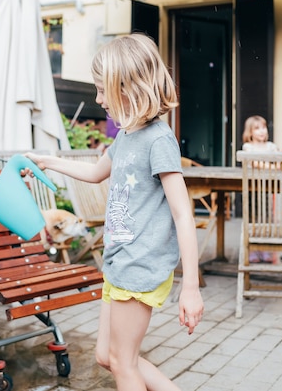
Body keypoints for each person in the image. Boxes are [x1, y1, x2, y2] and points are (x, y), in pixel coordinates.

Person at [25, 33, 204, 390]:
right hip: (118, 263)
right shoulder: (127, 135)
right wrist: (48, 161)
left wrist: (192, 288)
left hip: (140, 266)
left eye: (102, 89)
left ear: (130, 87)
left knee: (123, 363)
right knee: (108, 357)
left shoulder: (158, 139)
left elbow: (184, 215)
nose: (98, 99)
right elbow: (94, 173)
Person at [242, 115, 278, 263]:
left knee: (267, 219)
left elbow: (279, 162)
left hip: (267, 190)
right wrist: (271, 166)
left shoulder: (271, 147)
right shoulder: (248, 147)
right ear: (250, 132)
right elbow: (255, 162)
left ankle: (265, 249)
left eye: (263, 127)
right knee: (253, 219)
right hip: (252, 189)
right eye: (257, 129)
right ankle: (253, 250)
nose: (262, 131)